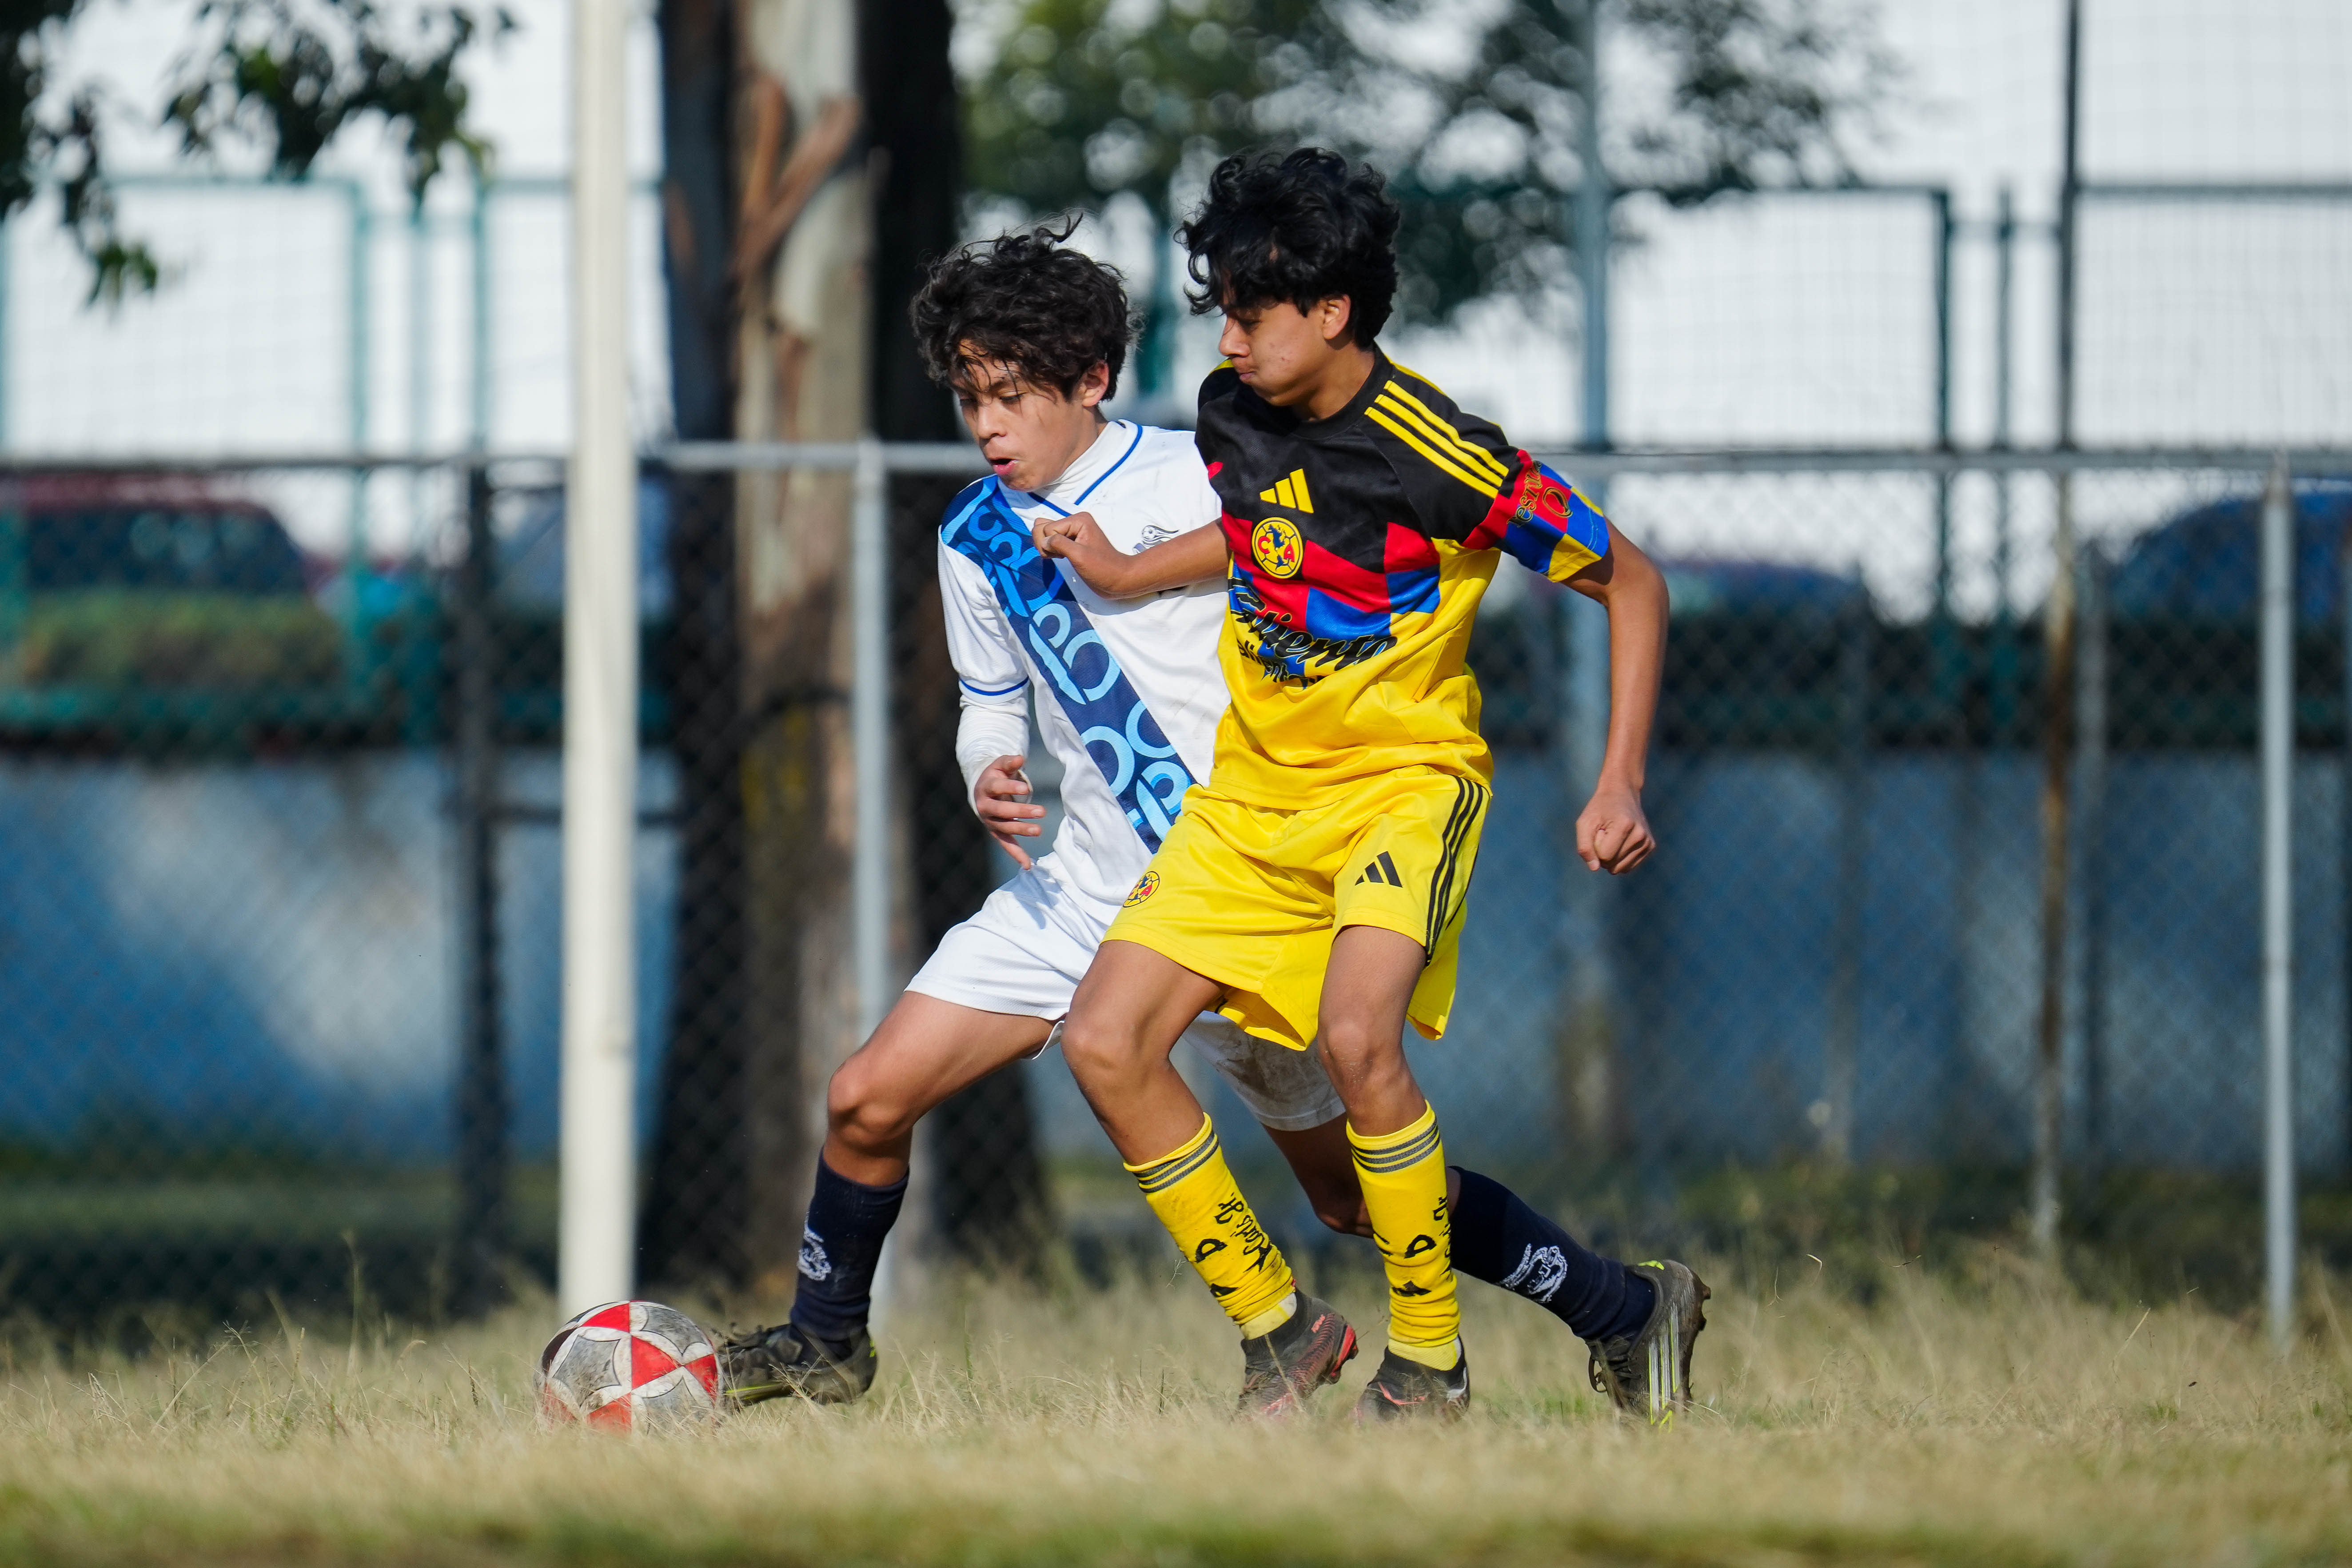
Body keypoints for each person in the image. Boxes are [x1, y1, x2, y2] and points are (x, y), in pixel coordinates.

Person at [719, 219, 1698, 1424]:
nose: (989, 425)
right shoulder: (974, 536)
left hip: (1240, 868)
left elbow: (1348, 591)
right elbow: (988, 703)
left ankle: (1616, 1307)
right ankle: (834, 1341)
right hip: (1088, 886)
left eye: (1014, 395)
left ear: (1092, 381)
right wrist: (991, 767)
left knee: (1351, 1195)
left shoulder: (1208, 471)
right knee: (867, 1096)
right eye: (971, 397)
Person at [1042, 148, 1706, 1424]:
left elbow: (1634, 581)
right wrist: (1129, 574)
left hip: (1402, 784)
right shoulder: (1237, 409)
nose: (1225, 337)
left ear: (1333, 312)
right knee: (1104, 1041)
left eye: (1249, 310)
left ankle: (1432, 1368)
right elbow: (1262, 529)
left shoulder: (1437, 450)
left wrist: (1619, 779)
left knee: (1360, 1042)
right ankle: (1282, 1332)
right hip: (1253, 801)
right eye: (1221, 309)